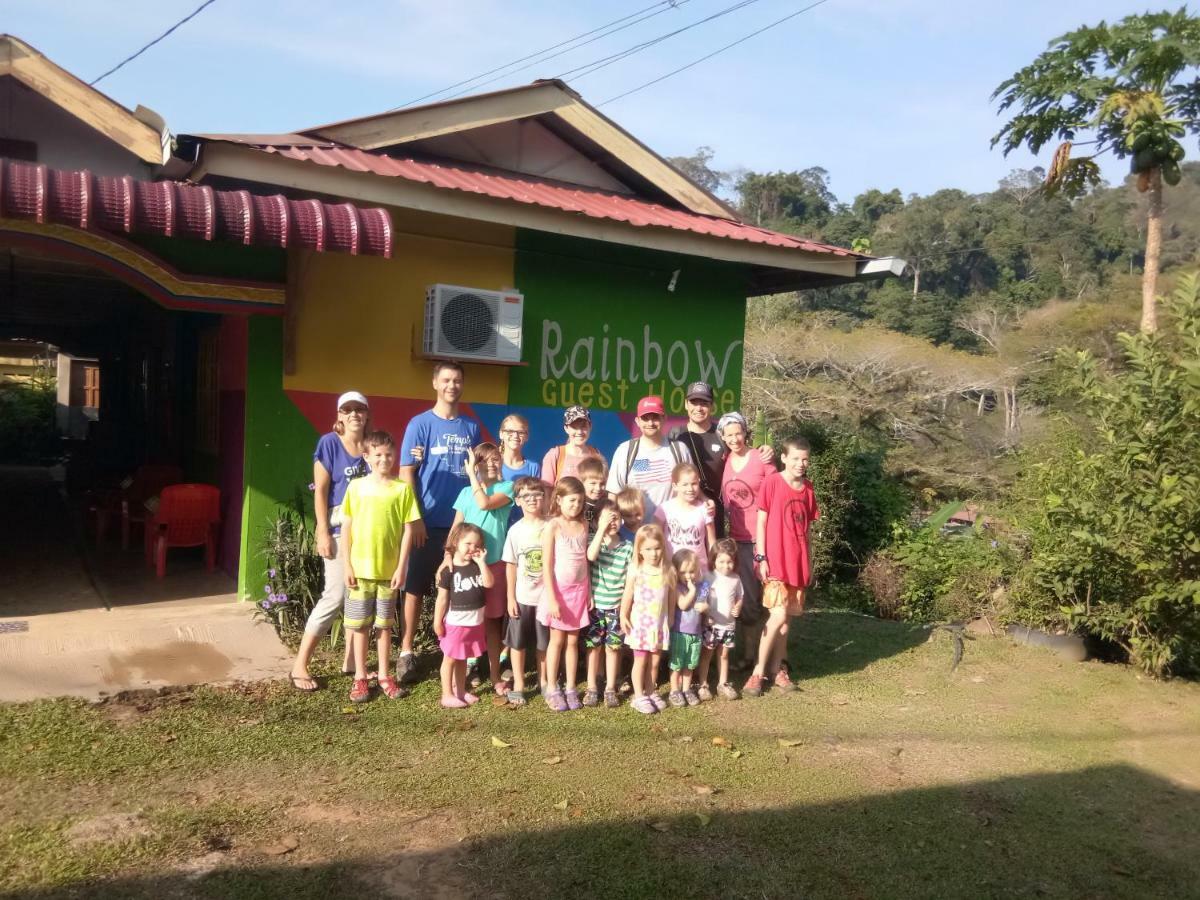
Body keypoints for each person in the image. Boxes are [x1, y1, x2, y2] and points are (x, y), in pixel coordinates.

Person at [398, 361, 481, 684]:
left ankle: (464, 654)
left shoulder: (471, 428)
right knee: (416, 588)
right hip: (427, 522)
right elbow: (407, 473)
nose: (452, 385)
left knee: (464, 591)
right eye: (446, 379)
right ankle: (406, 652)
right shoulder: (419, 425)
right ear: (435, 383)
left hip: (461, 527)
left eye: (457, 380)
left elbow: (477, 473)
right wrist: (414, 517)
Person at [289, 391, 370, 692]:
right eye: (347, 410)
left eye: (359, 409)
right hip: (337, 530)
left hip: (366, 533)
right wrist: (322, 531)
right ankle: (300, 664)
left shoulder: (371, 448)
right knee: (334, 596)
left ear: (367, 414)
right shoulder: (329, 444)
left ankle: (351, 661)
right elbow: (320, 491)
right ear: (339, 415)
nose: (353, 415)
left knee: (356, 596)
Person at [341, 430, 421, 703]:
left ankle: (385, 675)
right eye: (378, 455)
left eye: (389, 454)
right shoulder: (356, 488)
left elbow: (409, 530)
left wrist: (401, 567)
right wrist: (347, 566)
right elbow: (347, 527)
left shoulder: (402, 489)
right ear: (367, 457)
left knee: (384, 626)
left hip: (389, 573)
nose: (384, 459)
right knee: (361, 626)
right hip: (360, 571)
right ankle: (361, 677)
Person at [744, 437, 820, 698]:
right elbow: (761, 523)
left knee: (786, 622)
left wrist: (808, 563)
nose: (801, 464)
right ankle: (757, 673)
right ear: (784, 458)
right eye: (796, 458)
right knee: (776, 616)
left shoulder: (808, 489)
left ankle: (778, 670)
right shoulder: (772, 483)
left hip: (797, 564)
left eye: (805, 459)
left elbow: (807, 530)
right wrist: (761, 557)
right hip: (775, 560)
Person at [449, 443, 514, 696]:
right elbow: (456, 530)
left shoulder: (507, 488)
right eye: (484, 460)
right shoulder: (466, 493)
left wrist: (472, 476)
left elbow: (485, 503)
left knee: (492, 623)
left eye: (496, 459)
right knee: (468, 621)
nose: (491, 464)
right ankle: (470, 669)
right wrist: (447, 557)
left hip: (494, 566)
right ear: (476, 464)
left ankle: (496, 674)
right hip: (466, 569)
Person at [668, 382, 773, 537]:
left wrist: (765, 450)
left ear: (712, 406)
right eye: (694, 402)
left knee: (714, 558)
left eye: (704, 403)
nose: (698, 408)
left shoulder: (722, 434)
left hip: (714, 510)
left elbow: (743, 453)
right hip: (684, 511)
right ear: (685, 404)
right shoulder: (676, 435)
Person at [718, 411, 770, 669]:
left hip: (763, 539)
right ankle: (747, 655)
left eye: (738, 433)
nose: (735, 438)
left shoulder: (760, 458)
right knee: (744, 599)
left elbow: (776, 491)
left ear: (746, 432)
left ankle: (767, 658)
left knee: (763, 599)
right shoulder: (726, 460)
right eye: (729, 435)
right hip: (738, 539)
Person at [540, 476, 591, 712]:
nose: (575, 506)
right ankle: (552, 686)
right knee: (557, 641)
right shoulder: (553, 526)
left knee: (573, 641)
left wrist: (588, 591)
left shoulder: (583, 524)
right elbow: (547, 565)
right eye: (571, 501)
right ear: (559, 499)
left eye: (580, 502)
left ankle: (571, 687)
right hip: (558, 593)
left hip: (579, 593)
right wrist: (552, 598)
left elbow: (584, 562)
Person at [501, 477, 550, 706]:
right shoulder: (515, 531)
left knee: (544, 645)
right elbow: (510, 565)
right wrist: (510, 597)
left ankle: (544, 681)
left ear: (545, 497)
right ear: (518, 501)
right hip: (521, 598)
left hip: (546, 599)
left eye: (537, 494)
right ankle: (519, 684)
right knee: (517, 644)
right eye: (526, 496)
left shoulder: (552, 526)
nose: (532, 500)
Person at [606, 395, 693, 523]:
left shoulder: (680, 450)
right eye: (645, 418)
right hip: (633, 535)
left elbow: (692, 488)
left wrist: (706, 503)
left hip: (671, 535)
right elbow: (614, 494)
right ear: (637, 421)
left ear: (664, 418)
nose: (650, 423)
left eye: (655, 417)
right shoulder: (625, 451)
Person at [433, 523, 492, 708]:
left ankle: (460, 691)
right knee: (450, 659)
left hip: (475, 622)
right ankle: (447, 694)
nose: (472, 548)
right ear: (456, 542)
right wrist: (437, 621)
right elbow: (442, 599)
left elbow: (489, 583)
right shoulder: (448, 570)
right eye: (468, 543)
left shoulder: (477, 566)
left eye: (476, 545)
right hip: (456, 623)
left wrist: (482, 562)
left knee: (463, 658)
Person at [620, 523, 675, 715]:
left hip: (659, 625)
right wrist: (623, 615)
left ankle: (651, 691)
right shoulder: (636, 569)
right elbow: (628, 595)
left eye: (657, 548)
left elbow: (671, 596)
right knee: (641, 661)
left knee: (654, 661)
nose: (654, 553)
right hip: (641, 626)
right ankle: (638, 696)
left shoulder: (667, 569)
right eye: (648, 549)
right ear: (640, 550)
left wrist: (671, 618)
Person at [583, 499, 632, 708]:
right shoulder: (594, 540)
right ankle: (592, 687)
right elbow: (590, 556)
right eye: (606, 518)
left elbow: (630, 581)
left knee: (613, 647)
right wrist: (601, 530)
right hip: (596, 607)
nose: (612, 522)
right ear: (596, 522)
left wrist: (625, 608)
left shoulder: (628, 547)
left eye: (616, 518)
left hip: (616, 607)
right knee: (593, 647)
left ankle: (611, 687)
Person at [696, 539, 744, 700]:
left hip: (729, 626)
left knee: (724, 655)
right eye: (721, 561)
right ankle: (703, 684)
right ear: (713, 560)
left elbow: (740, 596)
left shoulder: (736, 578)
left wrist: (738, 606)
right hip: (712, 625)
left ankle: (722, 683)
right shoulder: (708, 577)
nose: (726, 565)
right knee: (706, 654)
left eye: (729, 562)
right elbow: (701, 599)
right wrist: (705, 615)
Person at [654, 462, 717, 574]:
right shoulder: (664, 509)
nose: (690, 488)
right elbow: (656, 539)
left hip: (699, 572)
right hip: (672, 570)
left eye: (694, 484)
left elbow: (711, 541)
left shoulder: (704, 509)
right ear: (675, 486)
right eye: (685, 484)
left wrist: (713, 566)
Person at [667, 548, 707, 707]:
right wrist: (692, 591)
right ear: (676, 572)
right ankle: (674, 690)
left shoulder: (702, 586)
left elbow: (704, 604)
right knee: (677, 663)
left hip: (695, 633)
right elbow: (683, 605)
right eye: (683, 572)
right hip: (680, 633)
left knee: (690, 664)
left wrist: (706, 608)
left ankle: (686, 689)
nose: (688, 576)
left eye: (692, 572)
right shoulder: (677, 587)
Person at [541, 405, 601, 485]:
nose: (579, 432)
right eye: (574, 427)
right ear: (566, 428)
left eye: (583, 426)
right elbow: (547, 491)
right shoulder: (555, 455)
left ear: (590, 426)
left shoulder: (596, 454)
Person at [499, 413, 539, 524]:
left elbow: (537, 501)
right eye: (510, 431)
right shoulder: (490, 465)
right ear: (501, 434)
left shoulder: (533, 468)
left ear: (527, 436)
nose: (515, 436)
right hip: (495, 530)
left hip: (524, 531)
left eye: (521, 432)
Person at [577, 456, 608, 537]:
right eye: (593, 483)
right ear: (581, 482)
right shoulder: (579, 505)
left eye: (602, 484)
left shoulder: (606, 504)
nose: (598, 488)